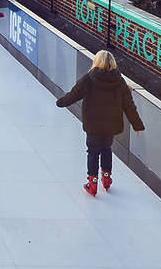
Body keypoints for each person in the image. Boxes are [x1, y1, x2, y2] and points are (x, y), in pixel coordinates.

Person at [56, 50, 145, 196]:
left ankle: (92, 183)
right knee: (106, 148)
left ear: (96, 62)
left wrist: (61, 102)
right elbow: (129, 105)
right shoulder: (120, 81)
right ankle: (106, 178)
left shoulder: (89, 79)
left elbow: (74, 94)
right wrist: (137, 124)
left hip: (93, 124)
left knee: (92, 151)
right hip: (111, 125)